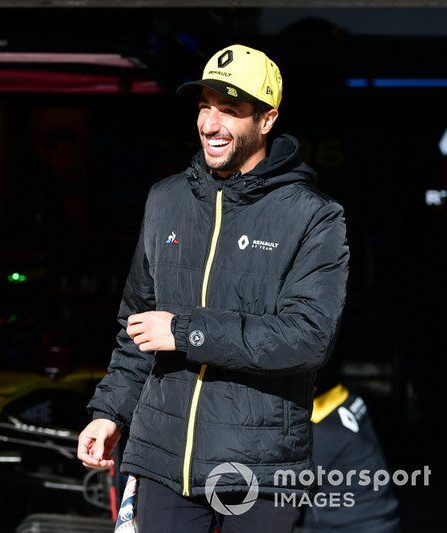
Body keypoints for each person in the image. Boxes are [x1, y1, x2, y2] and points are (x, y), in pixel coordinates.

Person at [78, 44, 349, 532]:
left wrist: (187, 332)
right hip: (162, 459)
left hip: (260, 467)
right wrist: (110, 411)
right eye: (205, 106)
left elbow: (308, 337)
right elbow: (137, 323)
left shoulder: (314, 215)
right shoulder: (165, 200)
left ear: (266, 120)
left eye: (230, 110)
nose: (210, 123)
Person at [296, 359, 400, 533]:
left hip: (348, 526)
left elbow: (282, 488)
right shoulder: (349, 399)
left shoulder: (318, 432)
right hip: (383, 518)